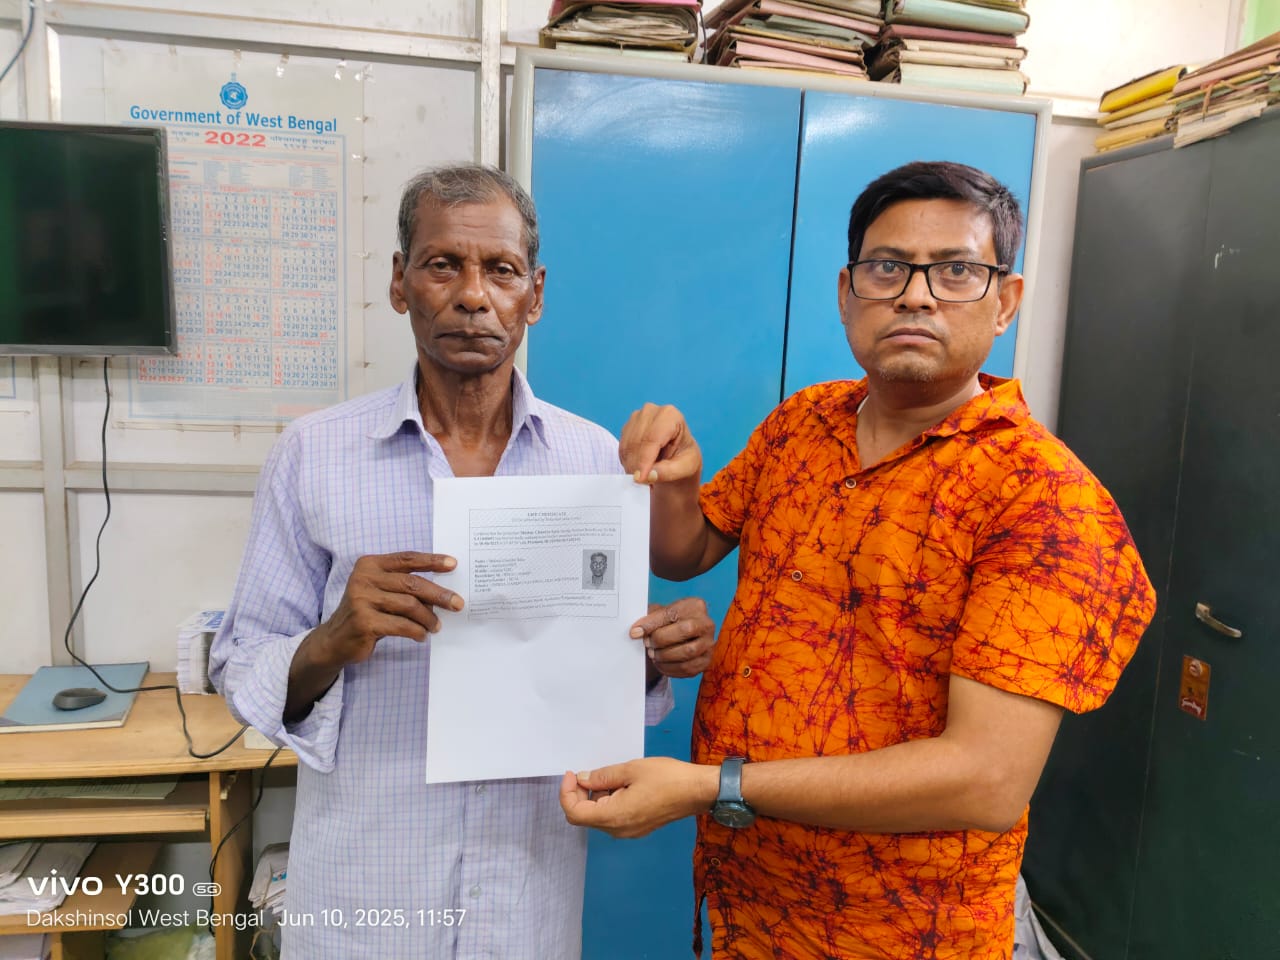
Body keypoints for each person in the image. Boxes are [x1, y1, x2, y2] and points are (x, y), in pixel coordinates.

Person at [559, 160, 1156, 960]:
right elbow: (685, 552)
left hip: (904, 929)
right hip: (748, 904)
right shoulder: (804, 423)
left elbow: (985, 779)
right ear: (847, 294)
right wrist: (678, 482)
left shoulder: (1044, 500)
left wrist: (711, 786)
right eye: (888, 268)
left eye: (956, 271)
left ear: (1006, 301)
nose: (916, 295)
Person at [209, 164, 716, 960]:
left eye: (501, 270)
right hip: (366, 897)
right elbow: (240, 667)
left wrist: (653, 656)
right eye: (443, 264)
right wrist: (332, 640)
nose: (474, 295)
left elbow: (601, 668)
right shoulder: (313, 455)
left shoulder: (593, 461)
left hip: (525, 898)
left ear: (535, 295)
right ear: (399, 282)